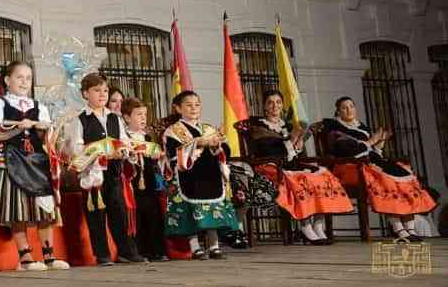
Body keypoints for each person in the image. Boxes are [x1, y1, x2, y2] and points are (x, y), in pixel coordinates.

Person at [0, 61, 69, 271]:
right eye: (19, 77)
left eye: (28, 78)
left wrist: (41, 127)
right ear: (7, 80)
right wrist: (18, 129)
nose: (24, 82)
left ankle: (49, 256)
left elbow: (47, 135)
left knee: (44, 209)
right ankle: (26, 257)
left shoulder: (40, 107)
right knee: (17, 209)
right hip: (11, 161)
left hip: (37, 162)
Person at [323, 96, 436, 241]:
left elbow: (372, 151)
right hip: (350, 167)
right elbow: (347, 152)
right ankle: (398, 229)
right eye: (344, 107)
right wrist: (371, 141)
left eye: (351, 106)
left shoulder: (362, 128)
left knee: (404, 174)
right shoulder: (335, 129)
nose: (349, 110)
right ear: (338, 112)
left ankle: (410, 229)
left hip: (368, 163)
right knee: (386, 180)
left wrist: (380, 141)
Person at [248, 90, 353, 244]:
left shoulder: (289, 125)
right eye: (270, 102)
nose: (274, 106)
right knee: (301, 179)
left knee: (323, 175)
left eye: (278, 102)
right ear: (264, 106)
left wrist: (297, 143)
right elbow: (265, 150)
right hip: (270, 166)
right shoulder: (258, 125)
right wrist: (290, 141)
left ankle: (317, 224)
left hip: (290, 163)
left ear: (283, 105)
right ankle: (305, 226)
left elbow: (295, 152)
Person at [66, 73, 143, 266]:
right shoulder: (80, 120)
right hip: (92, 178)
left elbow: (124, 142)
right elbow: (75, 148)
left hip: (113, 175)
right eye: (97, 90)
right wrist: (99, 152)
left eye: (105, 90)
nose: (102, 94)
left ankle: (127, 251)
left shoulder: (115, 119)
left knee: (119, 213)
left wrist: (124, 152)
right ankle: (102, 255)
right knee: (96, 217)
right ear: (85, 93)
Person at [164, 90, 238, 260]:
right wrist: (199, 142)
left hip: (210, 175)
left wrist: (217, 144)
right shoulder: (173, 131)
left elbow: (226, 150)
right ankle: (195, 247)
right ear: (178, 108)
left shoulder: (208, 128)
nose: (194, 108)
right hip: (188, 177)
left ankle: (214, 246)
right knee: (190, 213)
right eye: (188, 105)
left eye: (197, 104)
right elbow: (173, 154)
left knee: (212, 211)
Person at [121, 96, 168, 262]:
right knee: (137, 216)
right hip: (132, 182)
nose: (143, 118)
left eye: (145, 114)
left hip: (149, 181)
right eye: (138, 114)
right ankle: (140, 250)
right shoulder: (124, 137)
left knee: (153, 215)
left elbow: (157, 158)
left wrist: (158, 156)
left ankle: (157, 250)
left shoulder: (148, 137)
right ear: (127, 117)